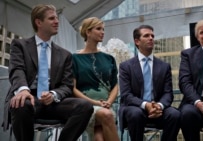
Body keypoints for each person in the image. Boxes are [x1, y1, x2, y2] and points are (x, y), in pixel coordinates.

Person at [2, 4, 93, 141]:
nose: (57, 22)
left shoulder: (65, 55)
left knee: (85, 106)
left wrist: (54, 94)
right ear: (38, 22)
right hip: (29, 98)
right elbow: (17, 70)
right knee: (21, 103)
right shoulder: (20, 45)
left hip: (54, 102)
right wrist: (23, 90)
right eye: (51, 18)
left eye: (56, 18)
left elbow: (67, 85)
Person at [119, 25, 181, 141]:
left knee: (174, 114)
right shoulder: (126, 67)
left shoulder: (164, 66)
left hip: (158, 109)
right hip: (136, 107)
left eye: (152, 36)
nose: (151, 38)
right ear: (137, 41)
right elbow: (126, 95)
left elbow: (168, 93)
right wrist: (146, 105)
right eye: (146, 36)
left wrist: (159, 106)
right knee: (135, 114)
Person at [72, 17, 119, 141]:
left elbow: (115, 85)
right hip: (86, 107)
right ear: (88, 32)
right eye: (98, 29)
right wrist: (96, 103)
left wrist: (109, 101)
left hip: (106, 106)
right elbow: (73, 89)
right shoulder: (74, 59)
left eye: (103, 29)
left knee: (99, 139)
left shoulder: (109, 59)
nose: (102, 32)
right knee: (106, 115)